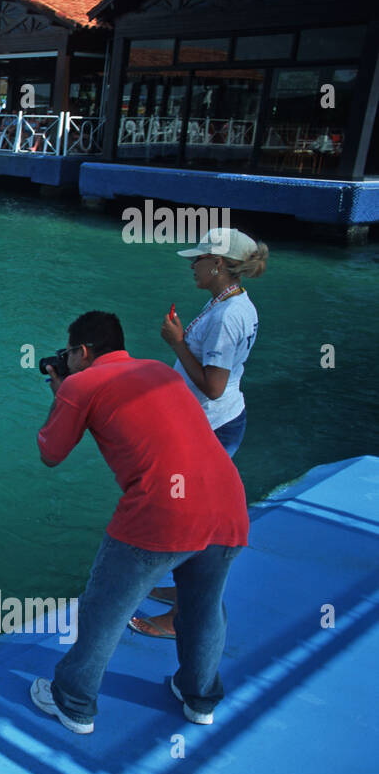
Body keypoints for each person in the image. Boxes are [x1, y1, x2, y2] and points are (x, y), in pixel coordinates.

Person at [31, 311, 248, 734]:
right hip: (228, 502)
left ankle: (73, 703)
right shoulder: (154, 369)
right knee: (203, 609)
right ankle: (199, 698)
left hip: (163, 514)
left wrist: (63, 394)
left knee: (105, 609)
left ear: (82, 351)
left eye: (70, 352)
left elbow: (50, 453)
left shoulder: (80, 383)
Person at [131, 228, 268, 640]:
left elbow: (213, 386)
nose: (192, 265)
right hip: (213, 423)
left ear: (219, 265)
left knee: (189, 520)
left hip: (211, 429)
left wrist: (176, 343)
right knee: (193, 516)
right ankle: (182, 592)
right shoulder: (231, 301)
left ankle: (183, 619)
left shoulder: (228, 316)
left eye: (199, 259)